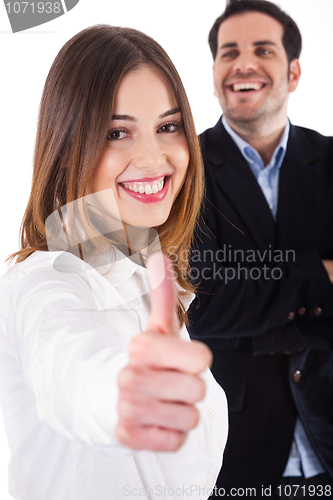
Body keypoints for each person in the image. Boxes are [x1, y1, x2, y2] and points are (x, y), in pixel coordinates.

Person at [0, 25, 228, 500]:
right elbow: (70, 367)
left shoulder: (150, 284)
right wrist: (125, 393)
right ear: (65, 151)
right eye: (117, 133)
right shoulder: (45, 279)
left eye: (168, 127)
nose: (153, 156)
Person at [187, 0, 333, 498]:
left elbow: (232, 292)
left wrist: (252, 292)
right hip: (237, 448)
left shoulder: (332, 161)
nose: (243, 64)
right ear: (214, 75)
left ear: (293, 72)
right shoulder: (187, 172)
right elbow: (203, 304)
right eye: (229, 53)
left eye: (262, 50)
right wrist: (321, 276)